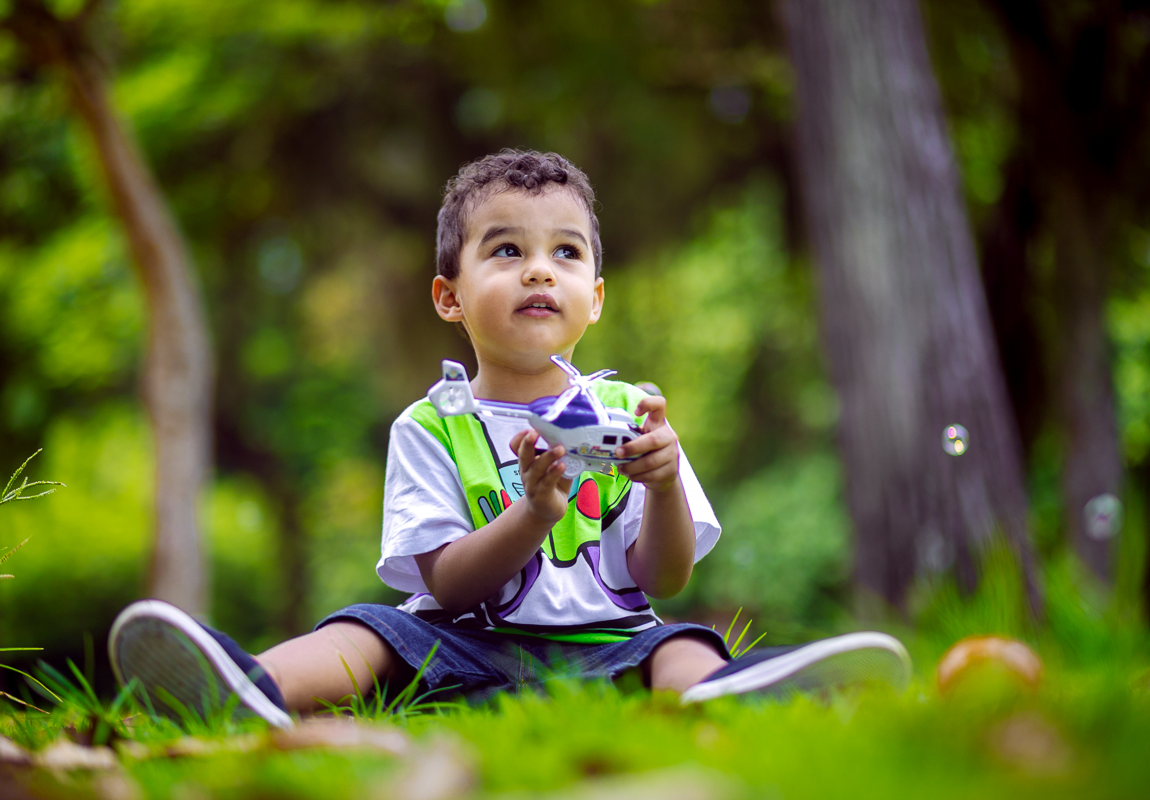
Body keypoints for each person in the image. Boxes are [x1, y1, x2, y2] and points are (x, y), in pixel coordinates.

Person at [108, 150, 911, 728]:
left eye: (565, 252)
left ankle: (732, 692)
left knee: (680, 643)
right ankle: (249, 687)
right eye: (506, 251)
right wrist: (532, 514)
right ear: (448, 296)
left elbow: (660, 578)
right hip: (462, 649)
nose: (538, 270)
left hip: (610, 649)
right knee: (370, 629)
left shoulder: (631, 411)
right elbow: (449, 588)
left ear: (593, 298)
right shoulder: (432, 427)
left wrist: (663, 485)